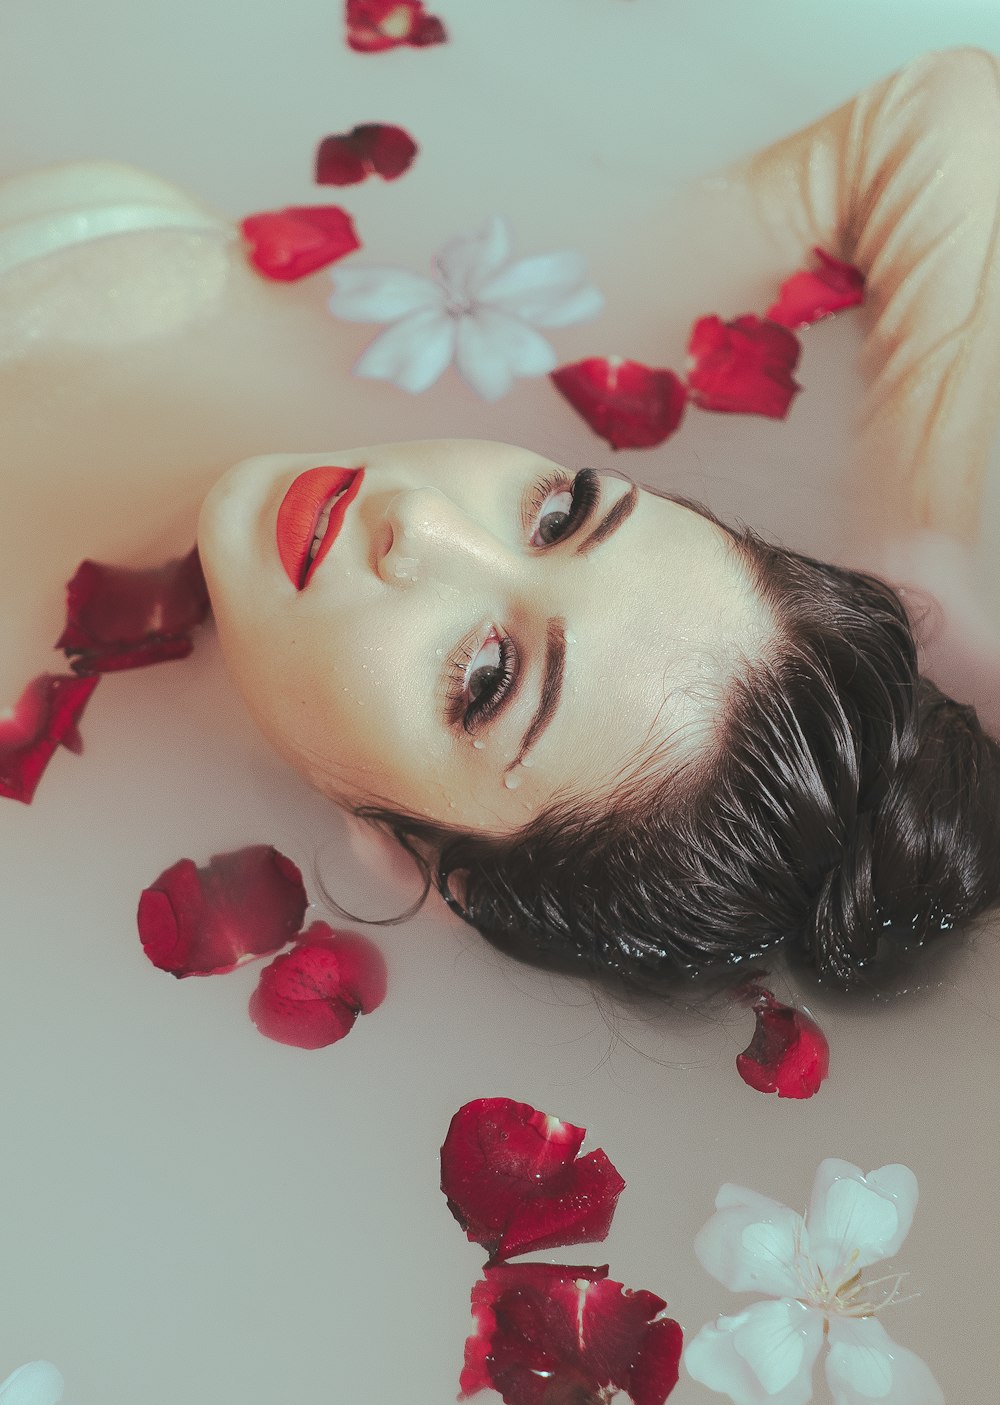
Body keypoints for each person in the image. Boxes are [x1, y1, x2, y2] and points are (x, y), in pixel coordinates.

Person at [7, 49, 1000, 989]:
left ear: (407, 858)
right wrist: (915, 541)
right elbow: (947, 114)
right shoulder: (511, 361)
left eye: (487, 677)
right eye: (562, 514)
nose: (424, 521)